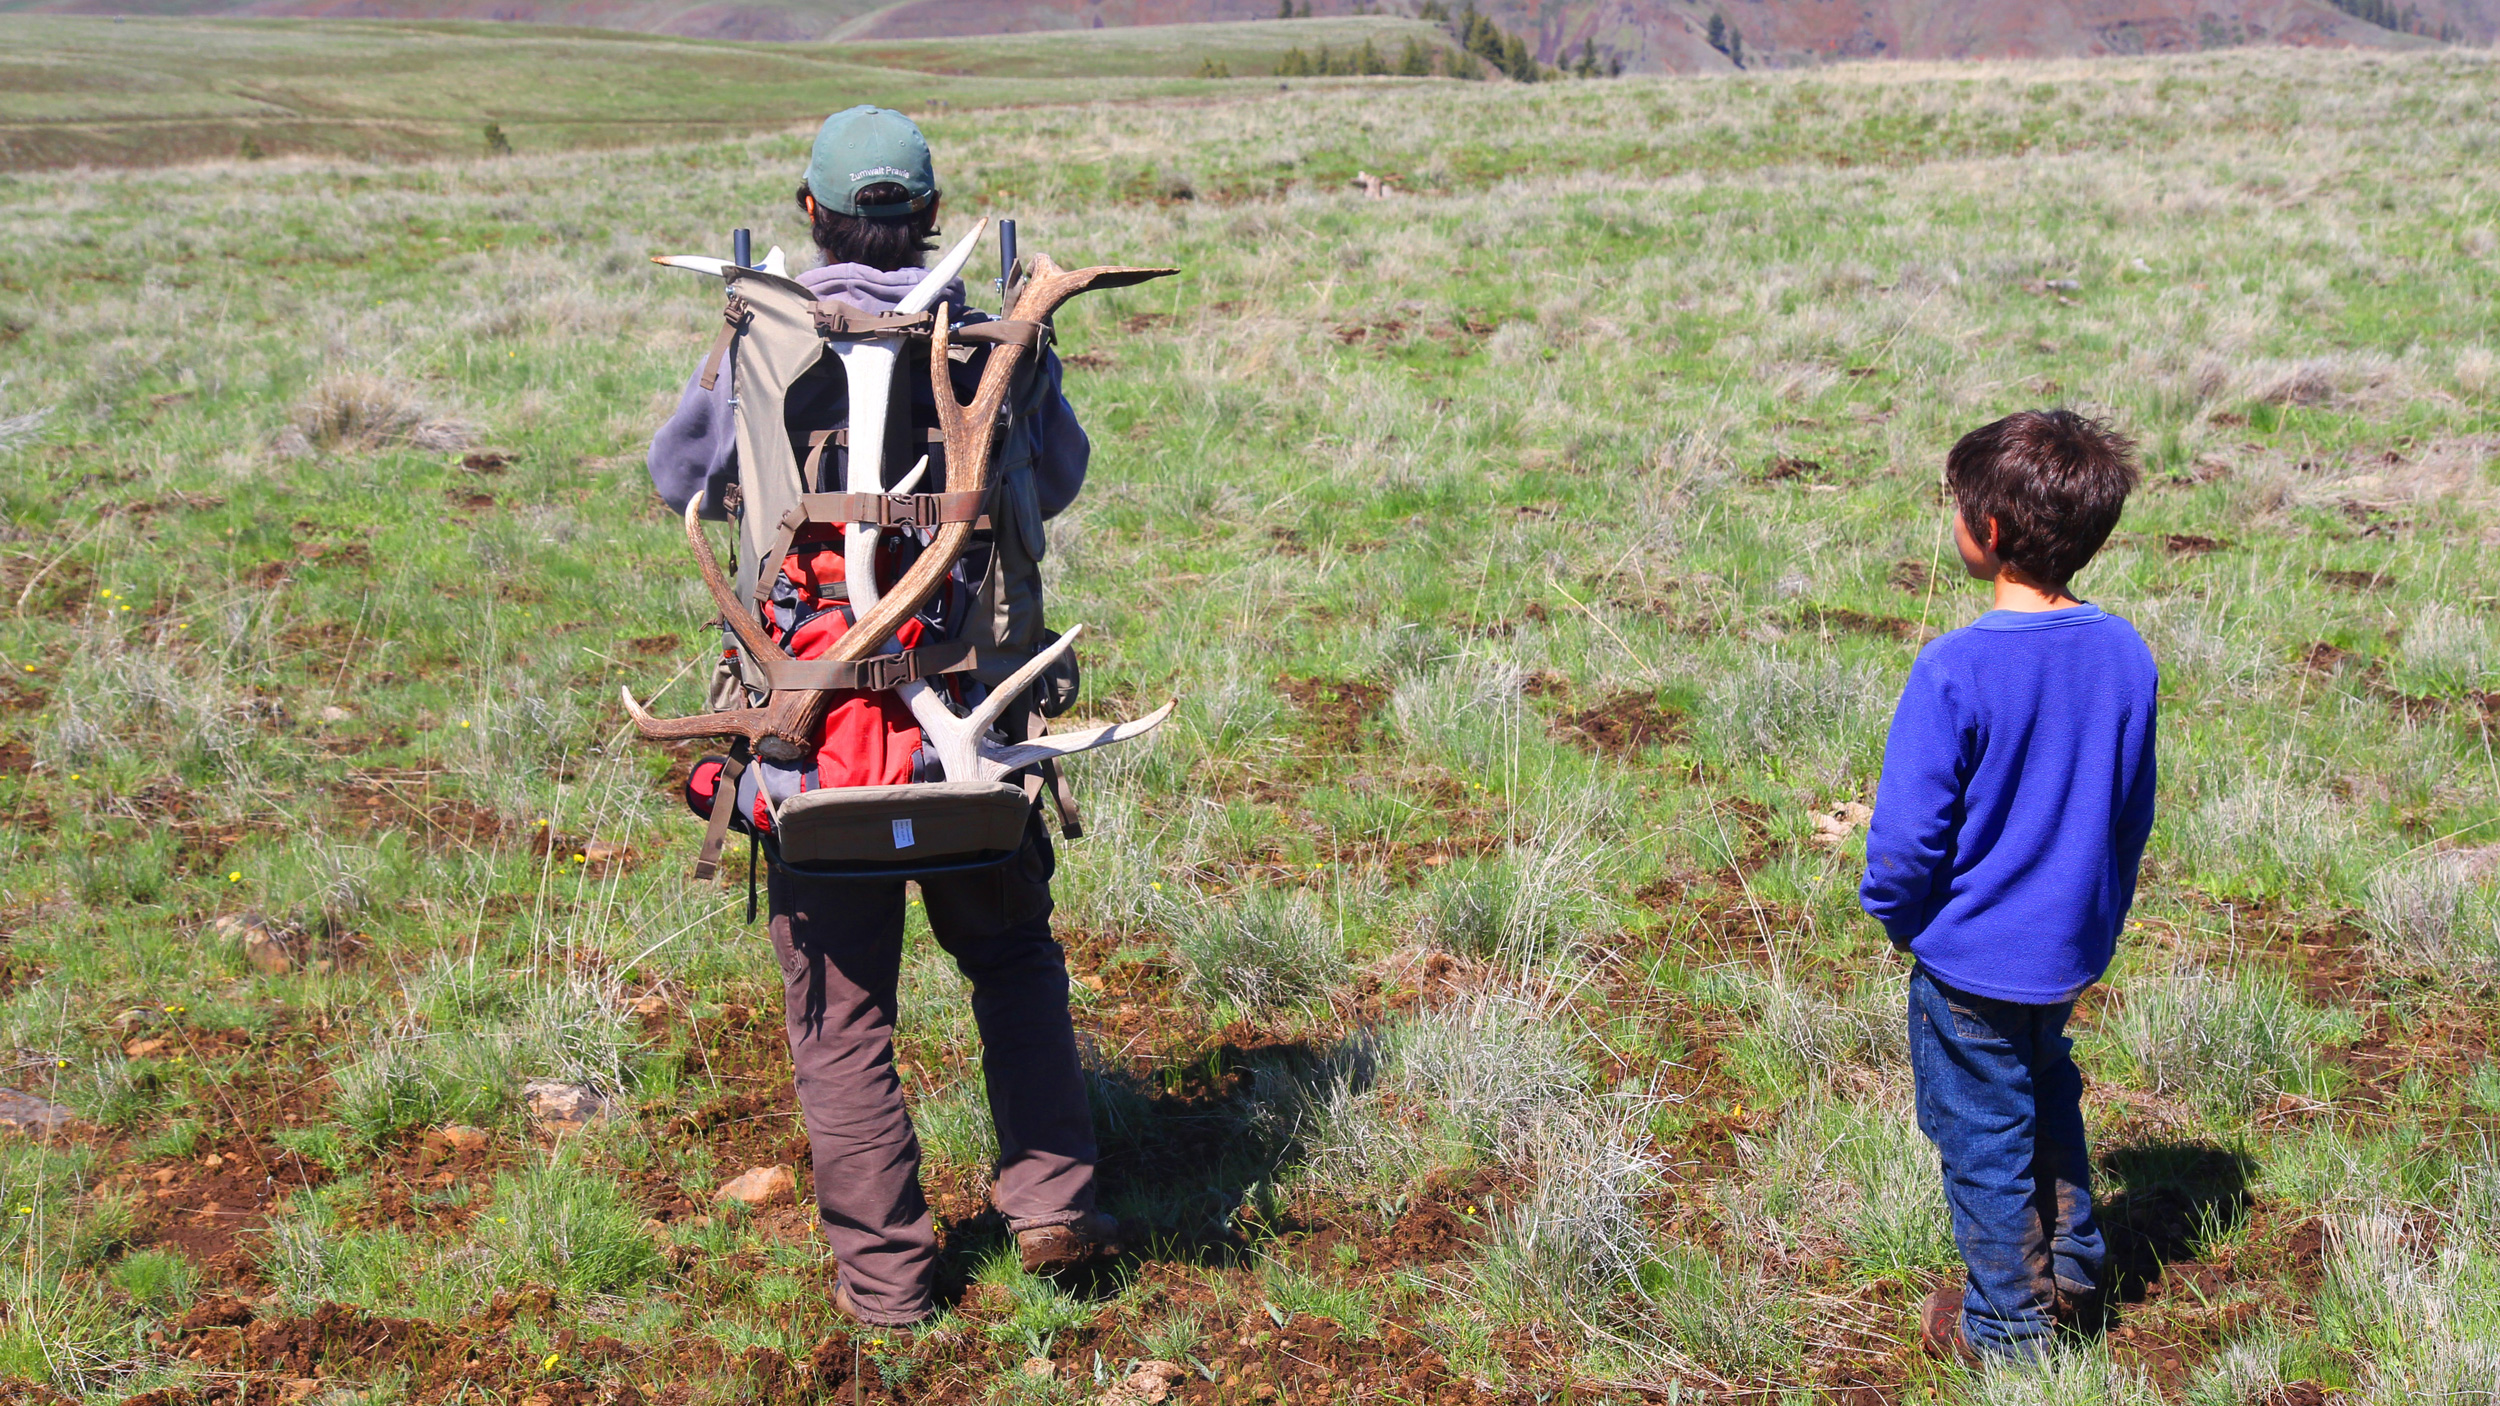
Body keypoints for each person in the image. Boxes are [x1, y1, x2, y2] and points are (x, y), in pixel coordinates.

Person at [645, 105, 1117, 1329]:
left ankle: (891, 1285)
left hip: (811, 753)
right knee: (1011, 958)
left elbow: (676, 478)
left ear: (811, 214)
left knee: (840, 1013)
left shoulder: (759, 327)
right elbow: (1054, 480)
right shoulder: (994, 337)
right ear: (932, 215)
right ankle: (1053, 1200)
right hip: (972, 727)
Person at [1859, 409, 2158, 1362]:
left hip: (1969, 959)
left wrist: (1899, 918)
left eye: (1956, 506)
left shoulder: (1954, 668)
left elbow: (1908, 841)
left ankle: (2009, 1328)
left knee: (1982, 1132)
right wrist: (2097, 925)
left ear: (1988, 536)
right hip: (2067, 947)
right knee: (2046, 1089)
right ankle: (2071, 1263)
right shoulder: (2126, 655)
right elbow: (2129, 814)